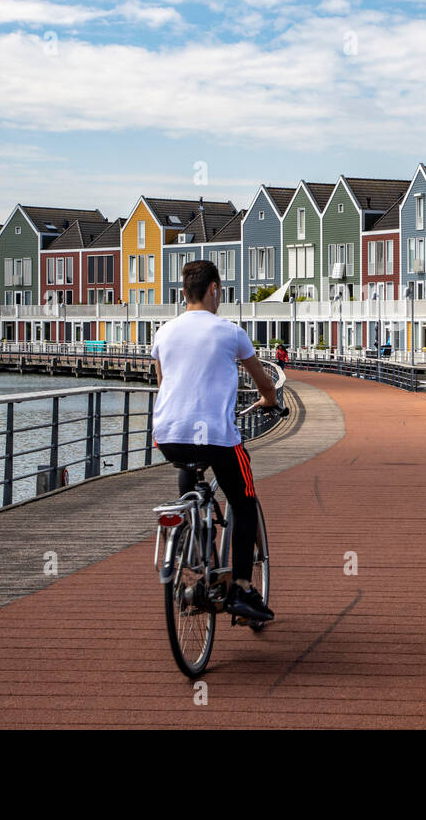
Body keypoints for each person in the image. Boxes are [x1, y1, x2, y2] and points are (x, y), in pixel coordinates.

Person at [151, 260, 277, 623]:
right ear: (214, 290)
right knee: (244, 499)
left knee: (189, 475)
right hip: (218, 440)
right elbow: (263, 381)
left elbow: (164, 383)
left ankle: (193, 546)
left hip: (169, 436)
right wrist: (269, 399)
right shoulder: (230, 332)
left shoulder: (164, 332)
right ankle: (240, 586)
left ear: (183, 293)